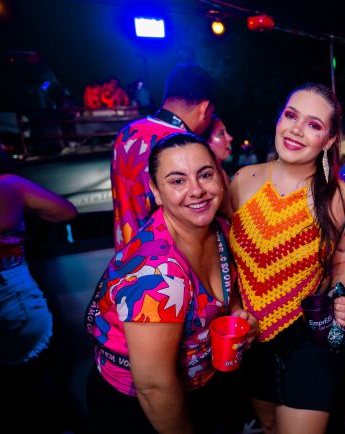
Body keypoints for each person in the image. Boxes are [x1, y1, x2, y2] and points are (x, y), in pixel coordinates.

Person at [86, 133, 257, 434]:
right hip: (143, 409)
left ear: (220, 177)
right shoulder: (156, 275)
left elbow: (223, 295)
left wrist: (236, 314)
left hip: (205, 385)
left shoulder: (220, 229)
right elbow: (154, 387)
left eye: (205, 174)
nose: (197, 190)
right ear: (155, 191)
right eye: (178, 181)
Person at [227, 83, 345, 434]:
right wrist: (235, 307)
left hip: (309, 334)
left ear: (329, 140)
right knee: (269, 426)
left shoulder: (341, 196)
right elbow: (221, 256)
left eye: (313, 125)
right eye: (291, 115)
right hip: (249, 336)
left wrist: (341, 293)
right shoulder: (241, 180)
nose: (296, 130)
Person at [0, 127, 78, 430]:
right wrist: (22, 215)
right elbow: (66, 212)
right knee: (44, 385)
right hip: (17, 301)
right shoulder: (8, 186)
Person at [111, 62, 216, 251]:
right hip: (166, 259)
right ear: (204, 109)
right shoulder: (180, 145)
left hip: (129, 256)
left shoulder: (127, 133)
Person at [204, 114, 234, 186]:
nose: (230, 138)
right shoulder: (209, 180)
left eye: (226, 132)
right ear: (206, 141)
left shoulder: (222, 174)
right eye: (221, 133)